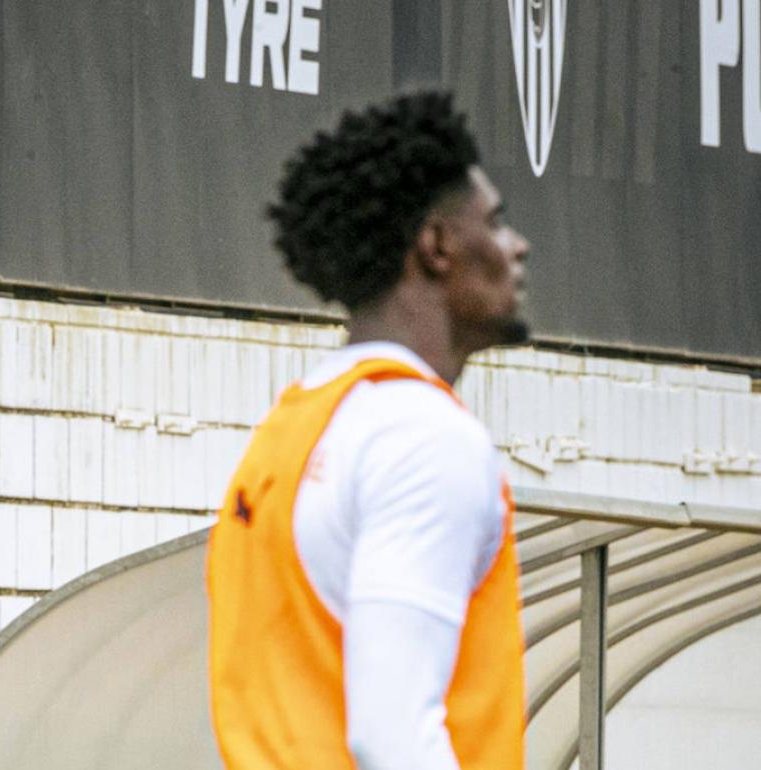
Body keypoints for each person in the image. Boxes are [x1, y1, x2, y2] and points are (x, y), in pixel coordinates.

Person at [206, 91, 530, 770]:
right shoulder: (424, 436)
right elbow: (392, 737)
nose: (517, 246)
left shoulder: (294, 429)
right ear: (437, 245)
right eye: (497, 223)